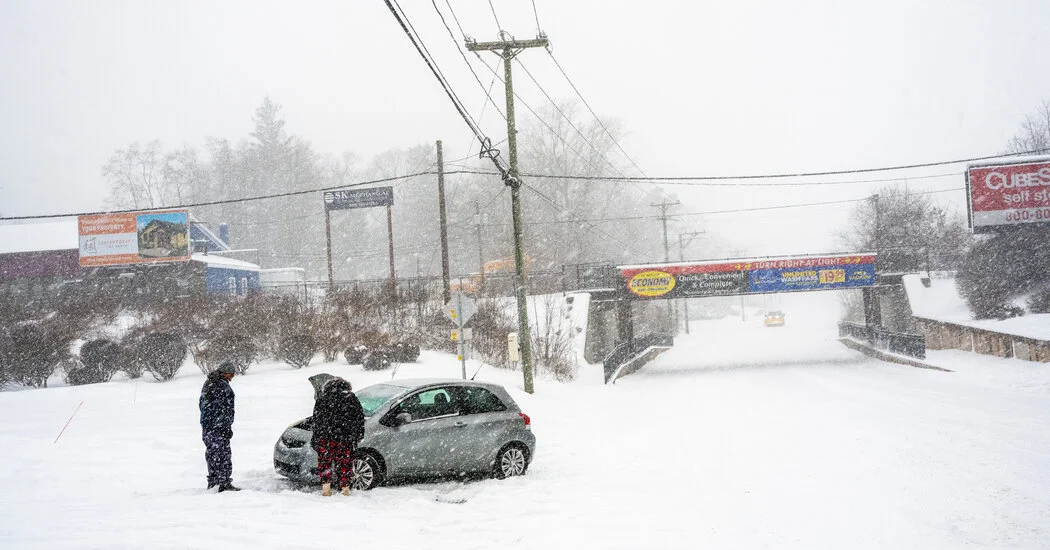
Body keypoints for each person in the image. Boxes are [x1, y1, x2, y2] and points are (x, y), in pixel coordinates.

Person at [311, 377, 365, 496]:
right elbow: (359, 418)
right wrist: (358, 434)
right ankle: (345, 488)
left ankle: (326, 489)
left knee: (325, 463)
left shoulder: (322, 399)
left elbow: (316, 420)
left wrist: (316, 436)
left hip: (325, 438)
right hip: (344, 438)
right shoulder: (351, 398)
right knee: (344, 463)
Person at [199, 361, 239, 492]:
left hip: (209, 427)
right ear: (225, 373)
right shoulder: (220, 385)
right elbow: (224, 408)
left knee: (213, 454)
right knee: (222, 455)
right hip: (217, 428)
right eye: (231, 374)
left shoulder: (210, 383)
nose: (232, 377)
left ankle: (214, 482)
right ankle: (223, 483)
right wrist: (224, 426)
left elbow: (203, 405)